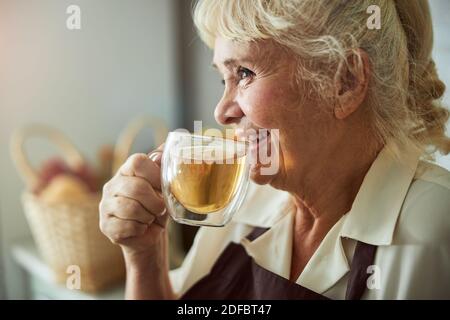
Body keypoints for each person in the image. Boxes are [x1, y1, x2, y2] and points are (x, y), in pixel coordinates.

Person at [99, 0, 450, 299]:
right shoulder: (245, 196)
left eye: (245, 73)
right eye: (224, 79)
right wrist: (145, 255)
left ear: (346, 82)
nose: (221, 111)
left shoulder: (431, 227)